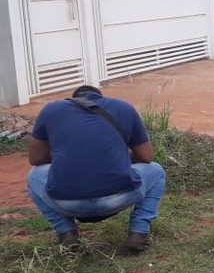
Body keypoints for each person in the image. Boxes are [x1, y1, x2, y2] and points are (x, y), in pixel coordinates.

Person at [27, 85, 166, 253]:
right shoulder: (124, 108)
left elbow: (36, 159)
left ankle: (66, 233)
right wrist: (119, 158)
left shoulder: (51, 110)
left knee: (33, 175)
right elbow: (146, 157)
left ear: (74, 99)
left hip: (67, 202)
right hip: (119, 198)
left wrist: (64, 157)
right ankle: (139, 232)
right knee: (156, 171)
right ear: (100, 98)